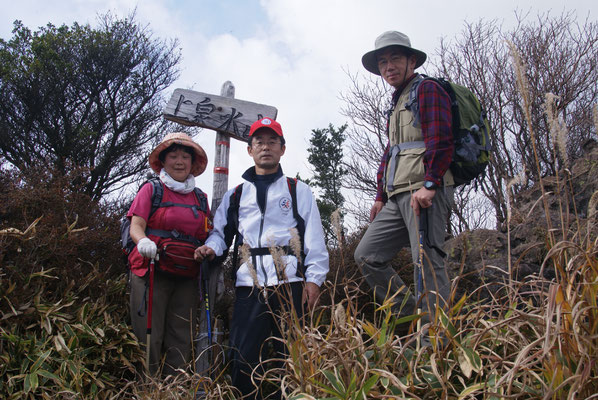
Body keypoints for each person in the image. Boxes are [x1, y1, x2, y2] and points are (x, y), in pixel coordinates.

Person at [194, 117, 329, 399]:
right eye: (259, 142)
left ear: (282, 148)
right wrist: (211, 248)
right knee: (243, 359)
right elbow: (220, 234)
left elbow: (315, 239)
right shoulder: (236, 195)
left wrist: (314, 281)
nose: (265, 147)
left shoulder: (297, 190)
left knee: (293, 357)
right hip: (249, 285)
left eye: (272, 142)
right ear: (250, 149)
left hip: (290, 283)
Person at [354, 31, 455, 342]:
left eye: (395, 58)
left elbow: (442, 139)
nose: (388, 67)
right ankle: (413, 314)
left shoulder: (427, 89)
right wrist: (380, 196)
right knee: (367, 256)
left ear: (412, 60)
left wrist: (430, 183)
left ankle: (436, 342)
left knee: (425, 260)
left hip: (424, 191)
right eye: (383, 62)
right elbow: (392, 150)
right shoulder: (398, 100)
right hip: (397, 197)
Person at [127, 132, 210, 376]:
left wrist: (206, 249)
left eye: (185, 156)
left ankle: (176, 389)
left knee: (181, 338)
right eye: (173, 156)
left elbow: (206, 234)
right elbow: (136, 225)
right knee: (149, 336)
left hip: (187, 275)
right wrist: (142, 241)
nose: (180, 161)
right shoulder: (152, 189)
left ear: (193, 163)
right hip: (152, 270)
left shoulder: (201, 199)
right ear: (163, 161)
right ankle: (148, 389)